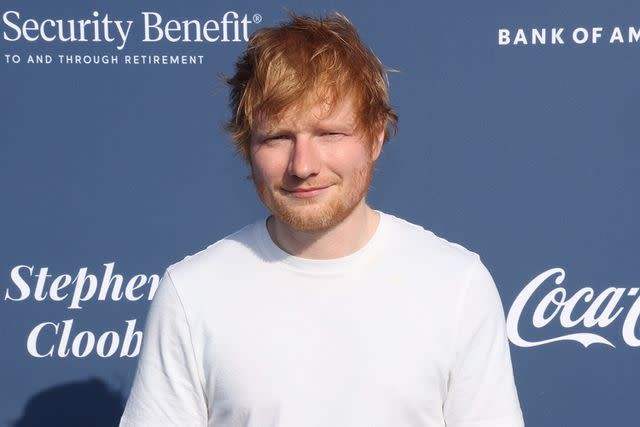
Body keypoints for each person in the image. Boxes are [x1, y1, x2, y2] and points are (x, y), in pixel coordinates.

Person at [119, 12, 524, 427]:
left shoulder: (456, 284)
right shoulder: (192, 293)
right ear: (247, 147)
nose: (303, 165)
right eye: (278, 137)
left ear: (376, 136)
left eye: (329, 134)